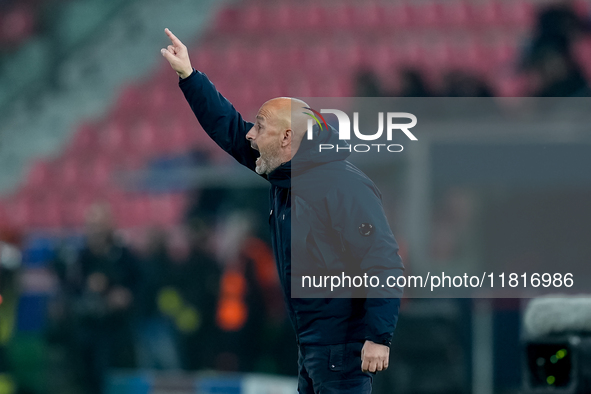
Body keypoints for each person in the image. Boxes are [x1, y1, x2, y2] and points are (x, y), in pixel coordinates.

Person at [161, 28, 404, 393]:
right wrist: (190, 77)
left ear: (287, 138)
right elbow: (230, 130)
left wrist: (378, 337)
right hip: (313, 347)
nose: (251, 135)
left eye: (260, 126)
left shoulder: (342, 184)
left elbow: (384, 261)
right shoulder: (287, 174)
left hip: (341, 350)